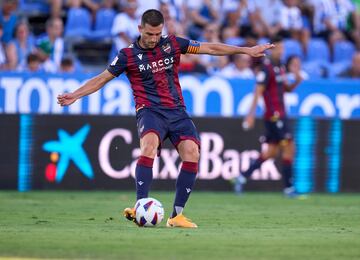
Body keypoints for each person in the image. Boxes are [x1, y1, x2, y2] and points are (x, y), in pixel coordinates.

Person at [57, 9, 274, 228]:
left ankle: (176, 216)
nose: (153, 39)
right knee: (148, 146)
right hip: (150, 111)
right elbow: (102, 79)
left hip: (177, 111)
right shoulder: (127, 55)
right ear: (140, 28)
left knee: (192, 153)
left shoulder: (172, 43)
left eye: (157, 34)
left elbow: (210, 48)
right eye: (149, 34)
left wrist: (246, 50)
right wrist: (75, 95)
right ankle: (139, 205)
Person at [234, 35, 303, 198]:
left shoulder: (280, 68)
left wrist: (297, 81)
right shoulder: (266, 68)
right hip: (274, 116)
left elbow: (286, 89)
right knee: (289, 148)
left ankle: (241, 178)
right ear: (272, 50)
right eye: (279, 48)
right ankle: (289, 188)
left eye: (283, 48)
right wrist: (250, 115)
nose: (281, 51)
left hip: (281, 114)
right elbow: (257, 91)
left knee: (271, 153)